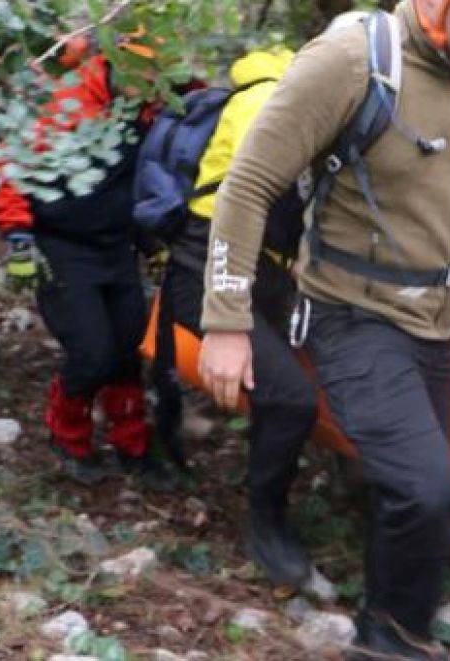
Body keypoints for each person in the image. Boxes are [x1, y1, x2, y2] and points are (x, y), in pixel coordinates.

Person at [198, 0, 450, 658]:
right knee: (428, 491)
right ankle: (386, 644)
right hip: (352, 313)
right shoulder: (353, 60)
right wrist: (225, 320)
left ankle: (395, 630)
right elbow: (247, 186)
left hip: (434, 322)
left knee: (420, 495)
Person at [148, 45, 319, 587]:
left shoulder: (295, 101)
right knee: (291, 396)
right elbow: (240, 203)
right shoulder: (272, 105)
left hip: (263, 267)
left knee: (285, 384)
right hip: (209, 261)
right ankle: (266, 523)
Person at [0, 34, 176, 490]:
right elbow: (8, 166)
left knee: (129, 347)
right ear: (115, 68)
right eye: (141, 77)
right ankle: (66, 433)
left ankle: (132, 442)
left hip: (117, 244)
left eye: (155, 78)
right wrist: (17, 237)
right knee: (92, 352)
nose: (148, 86)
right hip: (63, 246)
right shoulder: (66, 105)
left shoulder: (150, 109)